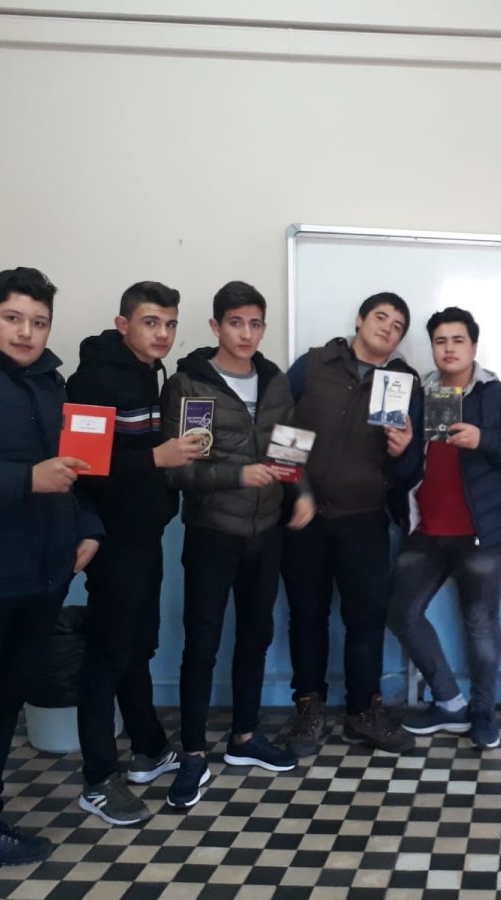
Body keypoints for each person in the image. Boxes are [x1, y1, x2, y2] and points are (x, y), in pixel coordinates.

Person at [0, 268, 103, 889]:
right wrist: (25, 480)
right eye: (13, 318)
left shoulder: (49, 383)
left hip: (37, 580)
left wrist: (89, 528)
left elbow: (73, 470)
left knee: (2, 710)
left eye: (39, 322)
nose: (27, 332)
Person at [161, 281, 315, 809]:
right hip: (212, 532)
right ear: (216, 326)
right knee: (202, 644)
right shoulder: (190, 384)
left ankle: (245, 737)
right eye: (235, 323)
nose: (246, 334)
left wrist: (302, 495)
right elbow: (180, 471)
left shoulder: (274, 382)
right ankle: (192, 754)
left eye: (254, 324)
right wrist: (237, 475)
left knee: (255, 635)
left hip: (265, 532)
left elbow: (290, 453)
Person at [68, 282, 206, 826]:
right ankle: (99, 779)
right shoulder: (93, 380)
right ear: (123, 324)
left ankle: (148, 747)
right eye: (151, 322)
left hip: (145, 534)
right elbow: (81, 466)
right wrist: (156, 458)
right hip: (112, 537)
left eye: (170, 324)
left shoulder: (152, 373)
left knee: (137, 645)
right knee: (107, 654)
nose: (163, 334)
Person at [276, 292, 421, 758]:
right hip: (306, 517)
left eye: (398, 326)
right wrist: (298, 494)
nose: (388, 328)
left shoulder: (403, 382)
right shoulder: (313, 365)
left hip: (365, 519)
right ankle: (309, 708)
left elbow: (409, 470)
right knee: (307, 615)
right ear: (359, 320)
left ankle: (364, 711)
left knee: (366, 619)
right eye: (381, 317)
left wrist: (403, 453)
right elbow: (282, 433)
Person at [387, 307, 501, 751]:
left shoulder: (499, 395)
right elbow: (408, 470)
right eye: (440, 341)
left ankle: (483, 711)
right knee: (401, 614)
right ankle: (449, 701)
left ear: (473, 346)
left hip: (480, 533)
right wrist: (400, 451)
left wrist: (483, 438)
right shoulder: (418, 394)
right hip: (425, 529)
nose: (449, 349)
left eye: (457, 340)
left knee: (480, 623)